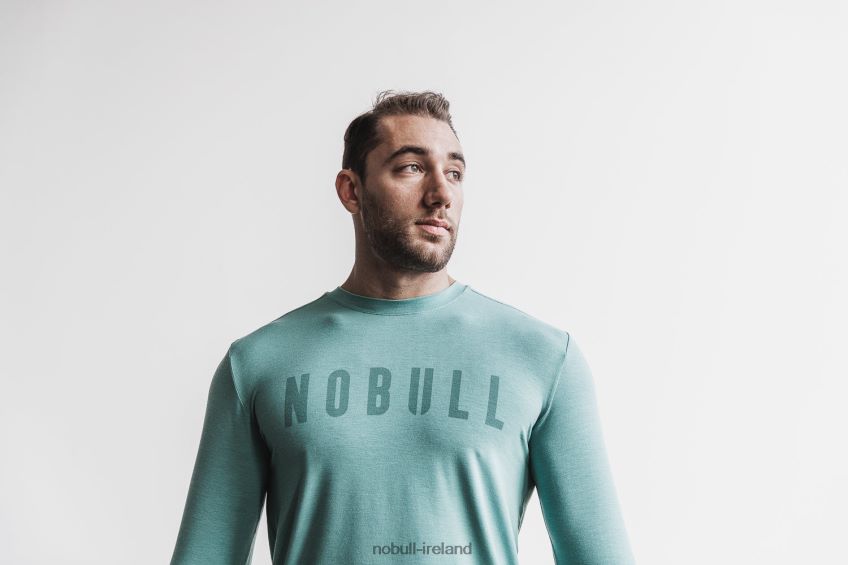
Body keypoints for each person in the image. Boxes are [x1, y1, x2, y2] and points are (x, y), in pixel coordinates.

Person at [169, 90, 636, 564]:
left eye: (454, 173)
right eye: (411, 168)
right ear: (352, 191)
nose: (441, 194)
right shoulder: (257, 364)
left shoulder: (543, 359)